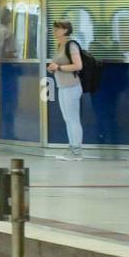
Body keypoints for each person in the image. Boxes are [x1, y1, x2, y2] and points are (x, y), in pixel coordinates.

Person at [48, 20, 85, 160]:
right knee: (67, 118)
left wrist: (59, 68)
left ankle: (77, 151)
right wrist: (53, 68)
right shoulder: (60, 46)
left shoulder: (71, 45)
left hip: (72, 86)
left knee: (73, 118)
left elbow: (78, 65)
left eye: (57, 28)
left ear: (65, 30)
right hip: (62, 86)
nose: (54, 31)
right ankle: (72, 147)